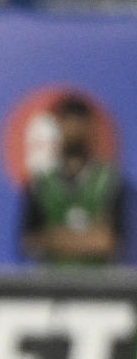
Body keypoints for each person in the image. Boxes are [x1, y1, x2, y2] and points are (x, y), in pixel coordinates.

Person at [20, 93, 126, 265]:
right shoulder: (40, 183)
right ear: (58, 127)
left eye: (79, 123)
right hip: (50, 285)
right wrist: (88, 238)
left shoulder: (110, 181)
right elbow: (29, 240)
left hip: (100, 286)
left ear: (91, 128)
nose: (74, 130)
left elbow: (110, 242)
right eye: (67, 123)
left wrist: (56, 237)